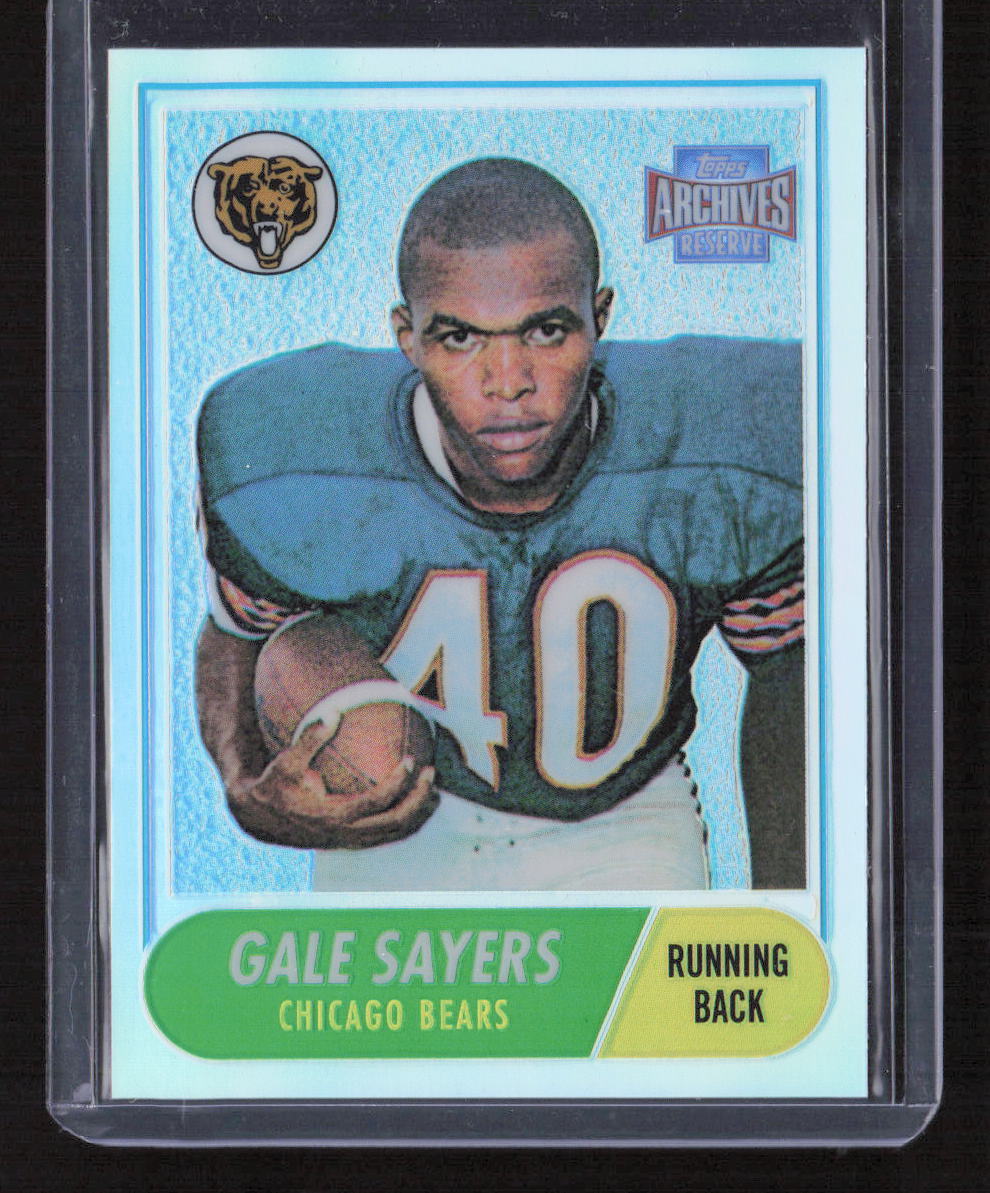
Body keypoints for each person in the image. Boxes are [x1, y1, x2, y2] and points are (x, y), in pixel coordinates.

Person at [195, 157, 805, 890]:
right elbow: (239, 629)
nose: (509, 381)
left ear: (601, 319)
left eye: (546, 331)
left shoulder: (716, 448)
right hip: (403, 807)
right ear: (406, 336)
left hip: (625, 810)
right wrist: (246, 786)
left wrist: (788, 912)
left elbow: (788, 669)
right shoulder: (300, 458)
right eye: (460, 338)